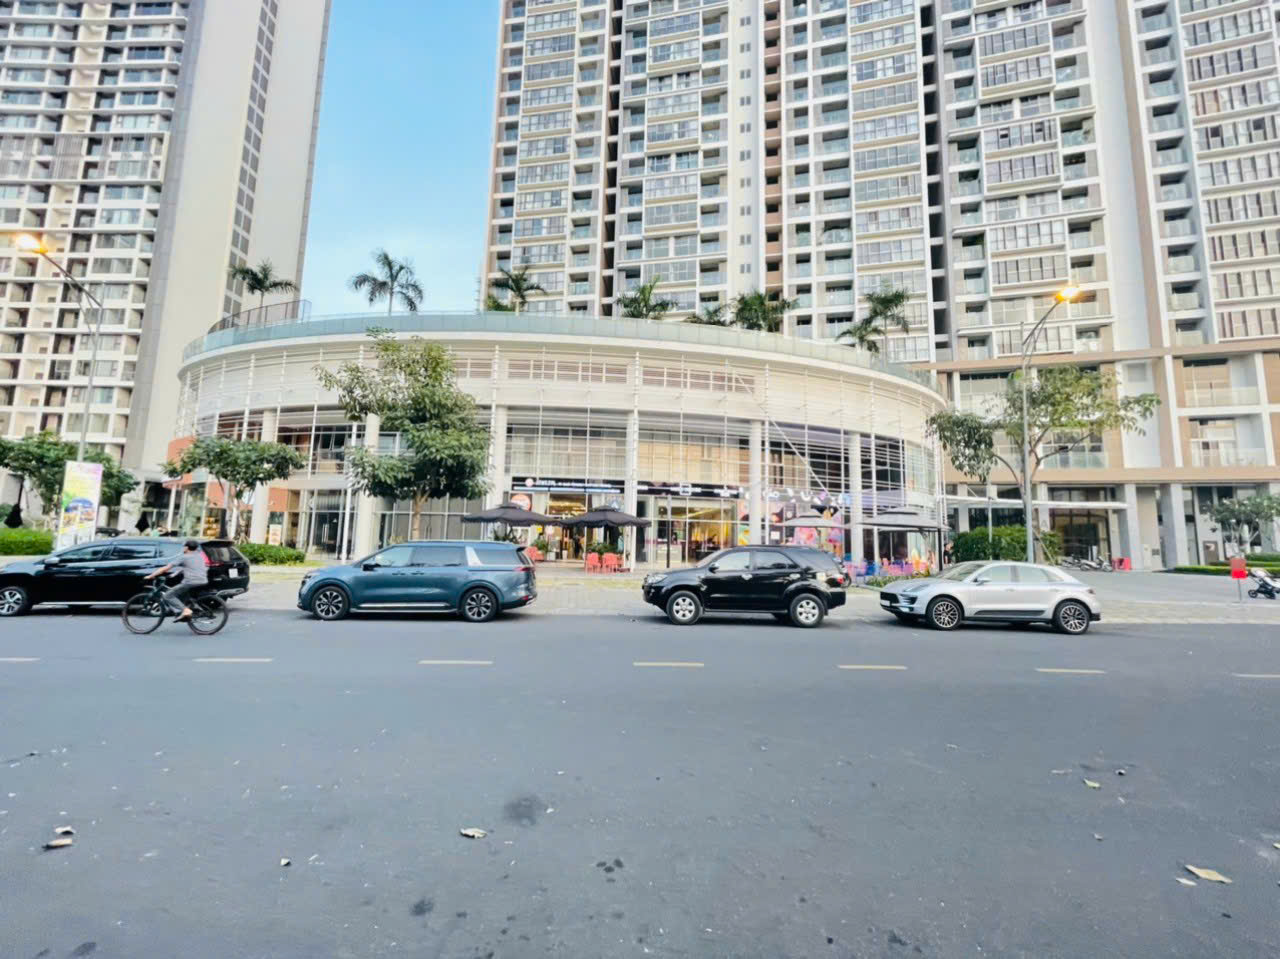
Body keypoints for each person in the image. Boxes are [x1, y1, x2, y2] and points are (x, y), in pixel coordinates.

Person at [145, 540, 207, 623]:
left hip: (190, 582)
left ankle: (186, 611)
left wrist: (151, 575)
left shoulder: (184, 557)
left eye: (184, 547)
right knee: (182, 595)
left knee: (168, 596)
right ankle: (185, 612)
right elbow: (191, 567)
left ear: (186, 548)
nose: (183, 548)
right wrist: (175, 574)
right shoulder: (199, 556)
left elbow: (166, 568)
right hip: (203, 580)